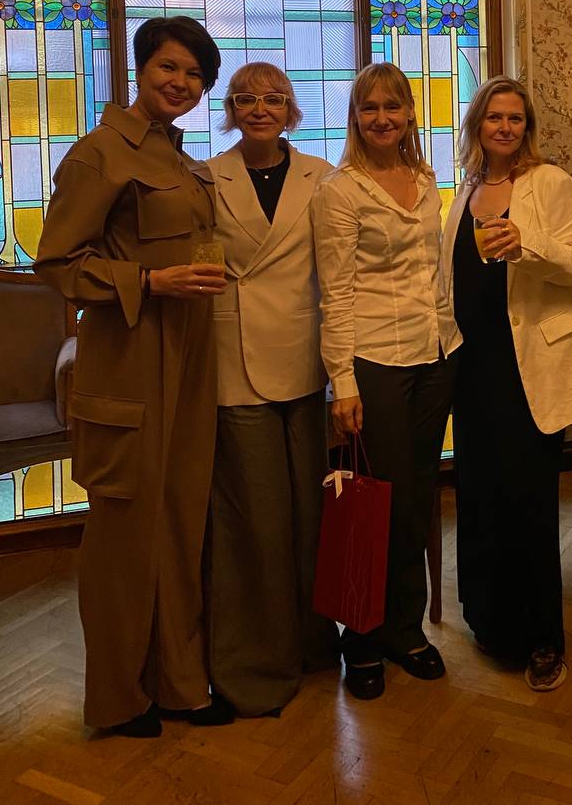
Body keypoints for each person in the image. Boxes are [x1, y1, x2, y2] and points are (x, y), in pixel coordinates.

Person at [34, 16, 233, 737]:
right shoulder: (99, 154)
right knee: (124, 536)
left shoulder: (180, 159)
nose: (180, 83)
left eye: (194, 75)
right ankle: (119, 699)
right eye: (168, 68)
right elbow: (57, 262)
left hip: (191, 358)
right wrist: (148, 281)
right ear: (141, 69)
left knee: (179, 523)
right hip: (128, 361)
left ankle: (179, 683)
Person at [442, 76, 572, 692]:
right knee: (479, 499)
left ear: (526, 128)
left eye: (515, 118)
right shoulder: (465, 190)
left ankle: (542, 639)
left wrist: (526, 244)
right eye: (494, 117)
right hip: (472, 368)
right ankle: (491, 623)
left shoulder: (551, 183)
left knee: (528, 504)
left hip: (528, 368)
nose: (504, 127)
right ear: (477, 126)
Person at [313, 62, 460, 701]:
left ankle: (405, 628)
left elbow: (434, 272)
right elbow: (336, 293)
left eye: (392, 107)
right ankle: (363, 637)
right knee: (381, 503)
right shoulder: (340, 192)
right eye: (369, 108)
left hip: (435, 356)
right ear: (355, 116)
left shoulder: (425, 181)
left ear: (408, 115)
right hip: (374, 361)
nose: (382, 119)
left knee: (419, 494)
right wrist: (342, 381)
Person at [203, 62, 340, 717]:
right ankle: (254, 665)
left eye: (274, 98)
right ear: (231, 111)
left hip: (305, 356)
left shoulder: (322, 175)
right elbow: (198, 258)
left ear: (291, 110)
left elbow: (339, 270)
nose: (260, 108)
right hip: (235, 355)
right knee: (252, 518)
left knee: (310, 512)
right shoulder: (206, 177)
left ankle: (314, 642)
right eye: (246, 98)